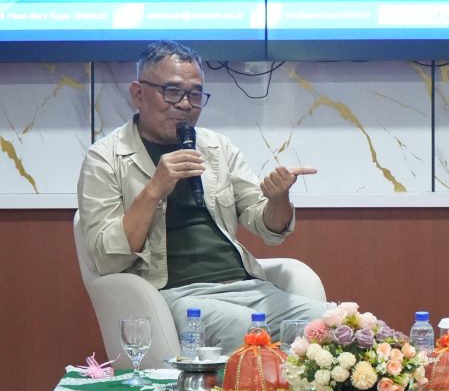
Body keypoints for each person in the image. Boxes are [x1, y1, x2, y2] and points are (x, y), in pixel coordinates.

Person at [77, 40, 326, 354]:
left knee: (332, 323)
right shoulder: (105, 158)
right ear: (138, 94)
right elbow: (106, 258)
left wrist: (278, 199)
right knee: (241, 327)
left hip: (247, 286)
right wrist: (154, 190)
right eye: (172, 91)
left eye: (195, 94)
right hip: (177, 295)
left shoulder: (217, 147)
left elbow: (269, 229)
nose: (185, 104)